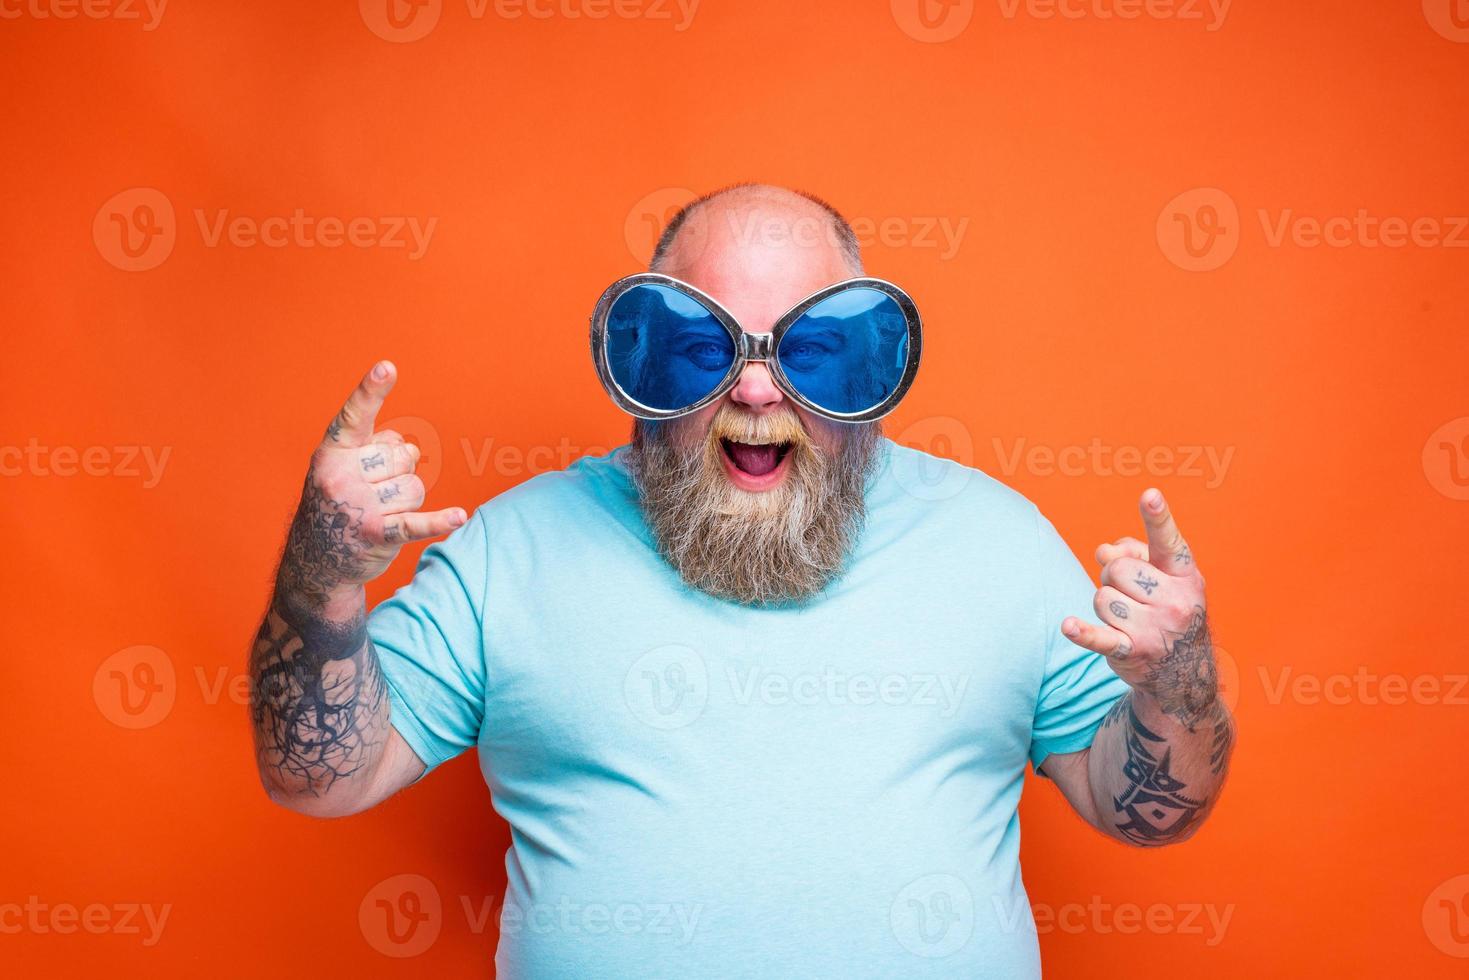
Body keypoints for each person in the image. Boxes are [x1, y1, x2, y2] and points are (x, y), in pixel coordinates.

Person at [249, 183, 1235, 978]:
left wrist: (1179, 681)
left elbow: (1140, 808)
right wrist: (322, 578)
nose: (758, 389)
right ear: (639, 360)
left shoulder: (995, 541)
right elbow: (323, 775)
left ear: (870, 365)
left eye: (814, 349)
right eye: (699, 345)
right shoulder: (515, 549)